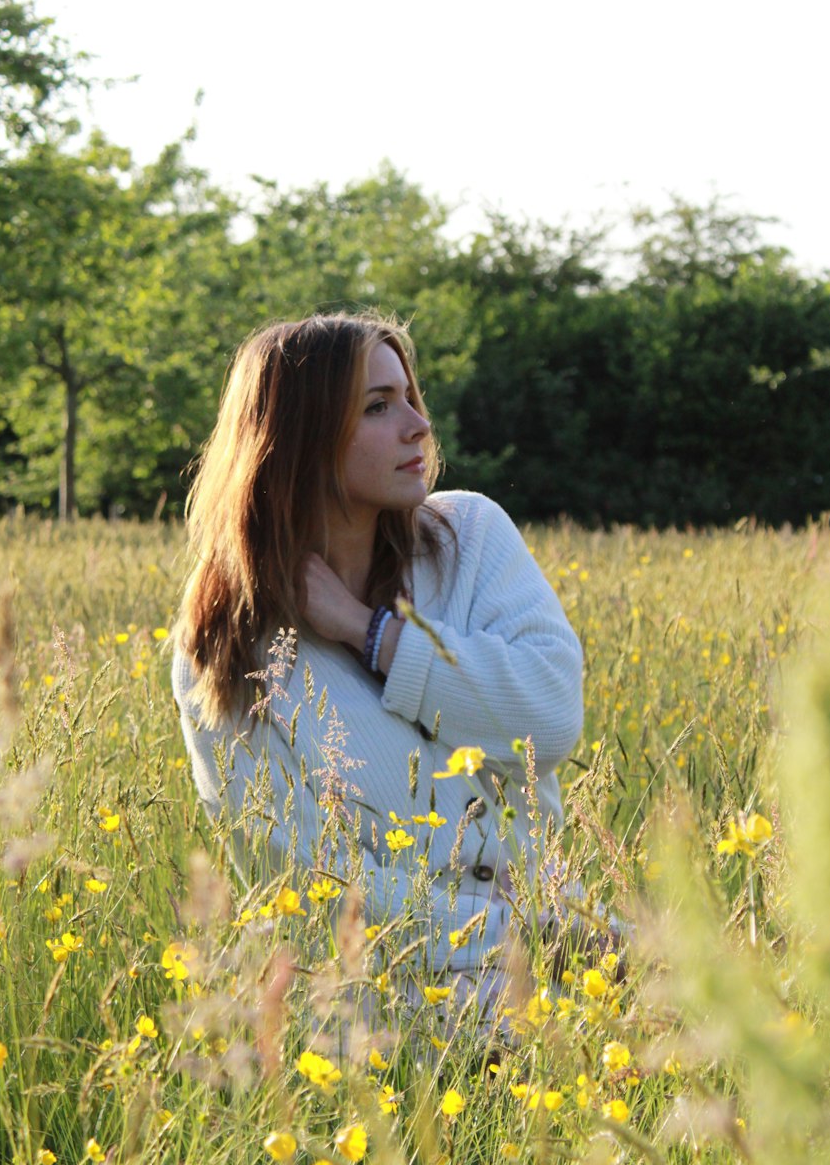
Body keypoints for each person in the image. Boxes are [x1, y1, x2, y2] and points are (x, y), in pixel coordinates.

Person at [171, 311, 585, 996]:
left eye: (409, 399)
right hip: (390, 993)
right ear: (297, 441)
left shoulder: (470, 538)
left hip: (564, 946)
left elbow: (549, 720)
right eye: (377, 407)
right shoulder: (224, 644)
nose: (418, 425)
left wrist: (371, 633)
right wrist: (523, 937)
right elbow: (305, 881)